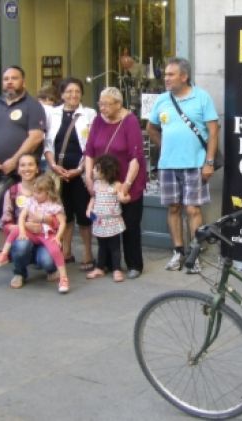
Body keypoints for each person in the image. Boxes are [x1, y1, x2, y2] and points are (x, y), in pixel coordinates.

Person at [147, 57, 219, 274]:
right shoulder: (162, 100)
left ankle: (195, 254)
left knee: (192, 209)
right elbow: (151, 128)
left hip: (195, 164)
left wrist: (209, 162)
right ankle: (178, 251)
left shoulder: (202, 97)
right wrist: (166, 146)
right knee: (174, 208)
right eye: (166, 74)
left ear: (184, 76)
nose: (166, 78)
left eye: (171, 75)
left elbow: (214, 132)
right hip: (168, 165)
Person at [0, 65, 47, 246]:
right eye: (6, 79)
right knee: (2, 214)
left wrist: (15, 161)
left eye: (14, 78)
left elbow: (36, 136)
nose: (9, 82)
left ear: (23, 81)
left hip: (22, 172)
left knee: (26, 212)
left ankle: (26, 251)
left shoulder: (32, 106)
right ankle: (4, 251)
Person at [84, 87, 147, 279]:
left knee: (129, 224)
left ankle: (134, 264)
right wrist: (88, 177)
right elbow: (89, 151)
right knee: (104, 222)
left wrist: (126, 185)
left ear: (118, 104)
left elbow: (135, 157)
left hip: (126, 182)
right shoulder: (97, 120)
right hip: (102, 183)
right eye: (100, 103)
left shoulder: (130, 121)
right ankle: (107, 264)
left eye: (106, 104)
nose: (102, 108)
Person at [44, 77, 97, 271]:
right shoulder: (53, 114)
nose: (73, 95)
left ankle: (88, 252)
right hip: (58, 174)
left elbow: (92, 146)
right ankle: (66, 251)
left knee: (84, 215)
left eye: (77, 91)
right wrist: (53, 165)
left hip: (80, 173)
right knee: (63, 214)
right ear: (61, 94)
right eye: (69, 91)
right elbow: (48, 143)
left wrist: (80, 169)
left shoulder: (89, 114)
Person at [0, 175, 70, 293]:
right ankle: (3, 254)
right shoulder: (31, 202)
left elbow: (62, 223)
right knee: (16, 230)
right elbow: (22, 217)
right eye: (34, 192)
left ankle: (63, 278)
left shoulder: (54, 206)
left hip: (46, 234)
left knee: (55, 250)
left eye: (38, 193)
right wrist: (23, 231)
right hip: (31, 232)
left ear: (47, 193)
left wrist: (58, 237)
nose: (35, 195)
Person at [0, 154, 58, 289]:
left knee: (47, 261)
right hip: (23, 235)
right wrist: (21, 227)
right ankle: (19, 273)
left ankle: (50, 268)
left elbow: (59, 218)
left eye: (31, 164)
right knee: (21, 246)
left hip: (44, 235)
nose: (27, 169)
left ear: (37, 168)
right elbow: (5, 222)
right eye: (23, 165)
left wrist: (44, 221)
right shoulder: (12, 191)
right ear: (18, 170)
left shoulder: (48, 188)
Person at [85, 154, 131, 282]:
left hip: (112, 221)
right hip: (99, 220)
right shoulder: (96, 185)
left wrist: (124, 198)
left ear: (106, 171)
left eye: (96, 168)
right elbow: (93, 198)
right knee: (101, 246)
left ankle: (117, 269)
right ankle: (100, 267)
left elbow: (126, 197)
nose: (93, 170)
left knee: (115, 247)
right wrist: (89, 209)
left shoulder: (116, 185)